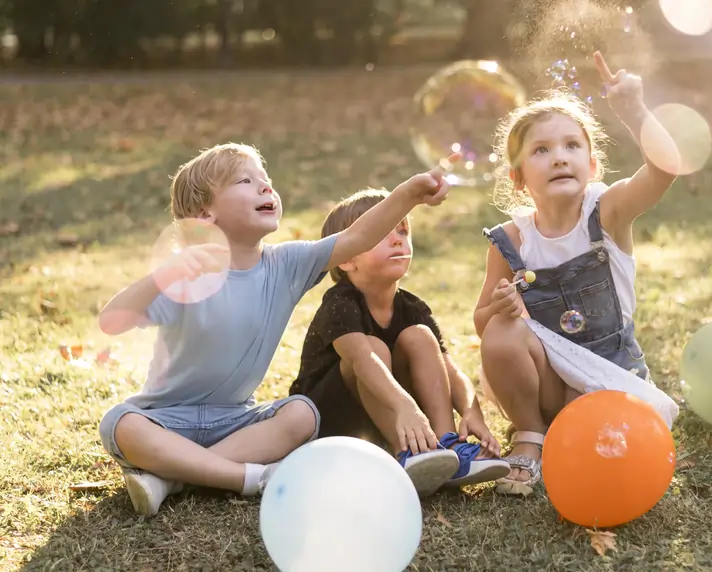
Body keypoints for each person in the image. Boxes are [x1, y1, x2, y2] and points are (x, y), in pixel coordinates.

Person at [97, 142, 459, 516]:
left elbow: (355, 238)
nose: (266, 187)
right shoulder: (182, 276)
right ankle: (246, 478)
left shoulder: (286, 265)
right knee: (121, 424)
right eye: (245, 181)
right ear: (205, 214)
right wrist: (162, 276)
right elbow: (111, 321)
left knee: (302, 414)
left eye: (266, 180)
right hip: (166, 420)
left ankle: (170, 479)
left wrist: (408, 195)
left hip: (235, 422)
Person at [474, 52, 680, 496]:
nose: (558, 158)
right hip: (550, 379)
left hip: (610, 376)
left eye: (571, 146)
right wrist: (501, 307)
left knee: (603, 451)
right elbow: (482, 323)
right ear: (518, 178)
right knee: (501, 332)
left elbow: (664, 170)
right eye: (541, 151)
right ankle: (530, 433)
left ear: (592, 165)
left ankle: (567, 433)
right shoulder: (512, 240)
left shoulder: (607, 213)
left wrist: (634, 110)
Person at [289, 188, 510, 497]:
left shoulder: (412, 307)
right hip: (332, 421)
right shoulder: (339, 303)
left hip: (397, 415)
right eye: (383, 233)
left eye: (403, 231)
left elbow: (449, 369)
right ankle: (408, 453)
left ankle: (446, 447)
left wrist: (472, 411)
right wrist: (406, 406)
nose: (398, 240)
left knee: (419, 336)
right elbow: (362, 359)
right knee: (374, 349)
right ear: (346, 258)